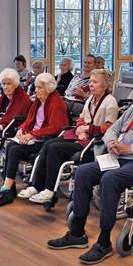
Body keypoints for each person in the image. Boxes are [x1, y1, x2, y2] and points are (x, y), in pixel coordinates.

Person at [46, 69, 133, 265]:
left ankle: (103, 242)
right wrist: (110, 143)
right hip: (119, 155)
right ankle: (77, 233)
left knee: (110, 180)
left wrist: (130, 148)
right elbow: (113, 129)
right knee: (83, 171)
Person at [18, 69, 119, 203]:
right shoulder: (90, 99)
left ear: (105, 85)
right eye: (90, 82)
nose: (91, 85)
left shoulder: (110, 102)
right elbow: (81, 118)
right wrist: (81, 129)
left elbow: (109, 128)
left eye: (95, 82)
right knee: (48, 144)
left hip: (94, 143)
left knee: (54, 148)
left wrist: (87, 129)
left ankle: (49, 190)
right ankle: (36, 185)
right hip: (81, 136)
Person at [0, 73, 68, 208]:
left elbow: (55, 127)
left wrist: (32, 134)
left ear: (49, 88)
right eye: (36, 87)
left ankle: (6, 190)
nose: (36, 90)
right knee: (11, 145)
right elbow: (29, 120)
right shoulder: (38, 101)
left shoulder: (56, 102)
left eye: (40, 87)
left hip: (44, 140)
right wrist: (22, 129)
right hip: (34, 138)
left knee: (15, 149)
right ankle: (8, 189)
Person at [64, 54, 96, 119]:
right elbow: (67, 91)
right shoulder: (76, 77)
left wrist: (83, 94)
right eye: (85, 62)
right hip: (67, 101)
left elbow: (96, 100)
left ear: (94, 65)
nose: (86, 65)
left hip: (79, 105)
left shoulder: (94, 80)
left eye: (89, 63)